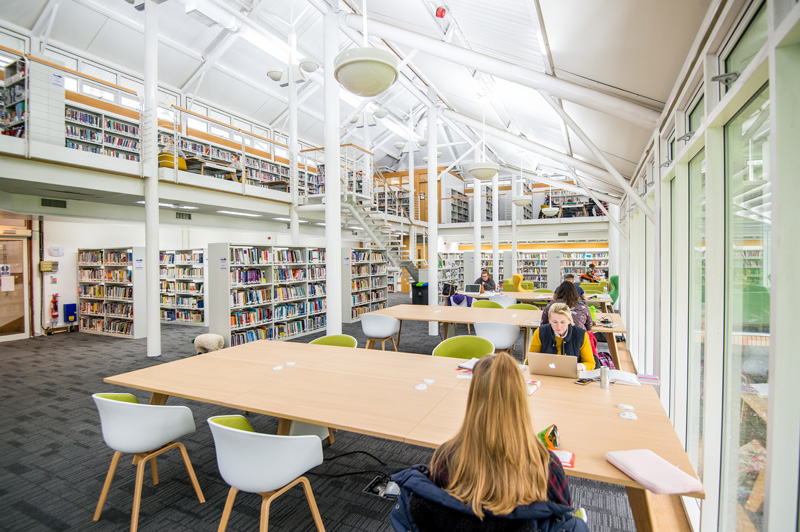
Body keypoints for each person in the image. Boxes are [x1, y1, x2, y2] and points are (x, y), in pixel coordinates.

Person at [390, 352, 588, 531]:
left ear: (473, 397)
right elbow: (560, 518)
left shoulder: (446, 457)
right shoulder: (547, 466)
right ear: (521, 399)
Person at [529, 303, 596, 371]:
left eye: (562, 322)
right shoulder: (540, 332)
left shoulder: (581, 335)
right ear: (549, 320)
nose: (559, 327)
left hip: (572, 376)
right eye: (554, 322)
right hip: (546, 373)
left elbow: (590, 363)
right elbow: (531, 359)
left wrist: (579, 366)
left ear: (569, 320)